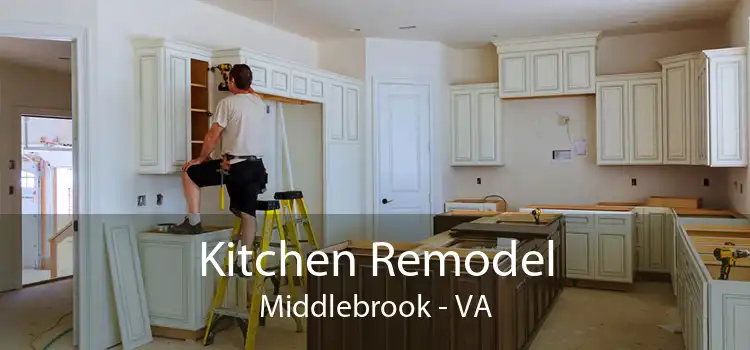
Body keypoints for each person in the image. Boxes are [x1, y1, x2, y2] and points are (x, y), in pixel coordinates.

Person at [171, 63, 267, 259]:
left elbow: (213, 135)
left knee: (190, 173)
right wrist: (237, 77)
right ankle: (245, 260)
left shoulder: (227, 104)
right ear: (250, 83)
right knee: (248, 213)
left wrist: (201, 158)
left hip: (234, 166)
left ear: (231, 81)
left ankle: (194, 222)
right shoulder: (259, 102)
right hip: (257, 168)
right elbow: (247, 90)